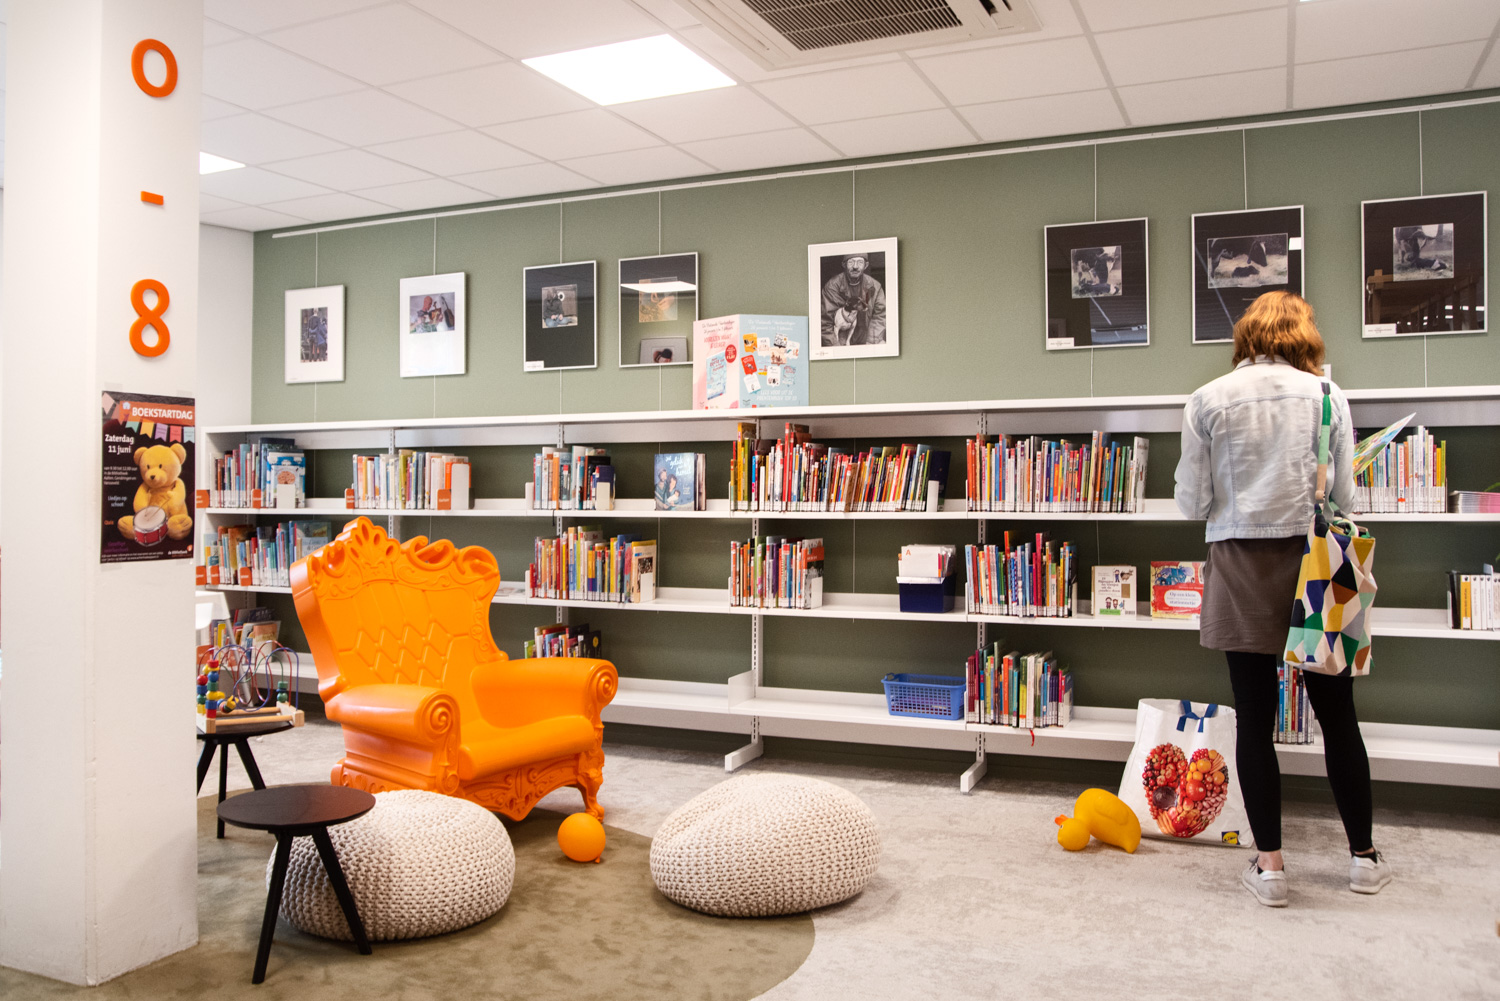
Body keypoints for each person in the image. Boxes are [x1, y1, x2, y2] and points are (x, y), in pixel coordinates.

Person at [1174, 290, 1391, 908]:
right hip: (1317, 564)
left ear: (1246, 336)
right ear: (1304, 337)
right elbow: (1345, 498)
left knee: (1253, 715)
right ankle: (1363, 859)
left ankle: (1270, 868)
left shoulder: (1208, 398)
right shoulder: (1328, 396)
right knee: (1338, 714)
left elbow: (1191, 502)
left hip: (1239, 565)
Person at [820, 253, 886, 347]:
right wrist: (837, 348)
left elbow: (880, 316)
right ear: (844, 265)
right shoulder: (832, 286)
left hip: (867, 338)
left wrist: (871, 341)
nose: (855, 266)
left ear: (866, 265)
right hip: (841, 341)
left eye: (860, 262)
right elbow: (825, 323)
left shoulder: (875, 286)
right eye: (851, 262)